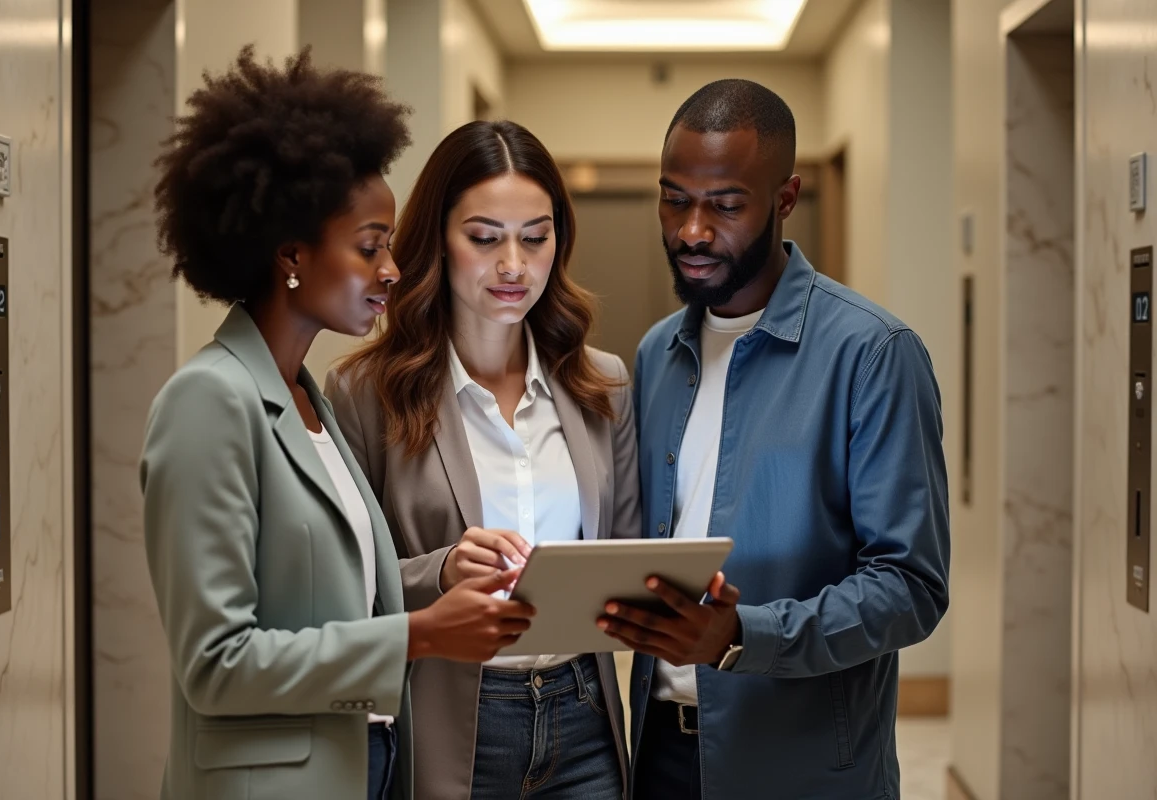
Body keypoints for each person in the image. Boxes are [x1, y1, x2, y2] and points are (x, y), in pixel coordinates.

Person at [141, 47, 534, 800]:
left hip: (367, 768)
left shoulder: (309, 398)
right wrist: (422, 636)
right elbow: (215, 664)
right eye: (369, 247)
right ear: (291, 255)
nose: (392, 268)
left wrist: (445, 577)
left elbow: (341, 607)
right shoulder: (210, 401)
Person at [598, 79, 951, 799]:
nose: (692, 230)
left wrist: (740, 636)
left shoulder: (873, 353)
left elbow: (911, 587)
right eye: (674, 199)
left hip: (805, 767)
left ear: (785, 200)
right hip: (660, 752)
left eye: (725, 205)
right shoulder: (656, 353)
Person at [326, 119, 640, 800]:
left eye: (535, 237)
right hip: (452, 719)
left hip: (584, 714)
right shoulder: (365, 393)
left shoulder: (603, 385)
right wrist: (440, 571)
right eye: (485, 237)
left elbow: (626, 552)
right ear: (438, 237)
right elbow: (342, 589)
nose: (513, 266)